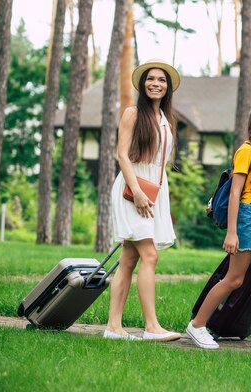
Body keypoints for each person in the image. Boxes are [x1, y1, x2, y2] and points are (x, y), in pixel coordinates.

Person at [186, 103, 251, 357]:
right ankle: (197, 325)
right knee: (234, 278)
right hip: (248, 218)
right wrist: (231, 232)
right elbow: (235, 192)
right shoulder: (246, 150)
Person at [104, 59, 182, 342]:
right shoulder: (133, 113)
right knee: (150, 255)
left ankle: (113, 327)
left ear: (168, 87)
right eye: (151, 79)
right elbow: (122, 154)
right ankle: (151, 326)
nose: (156, 84)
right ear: (142, 84)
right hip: (132, 188)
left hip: (154, 190)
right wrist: (136, 191)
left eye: (162, 80)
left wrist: (154, 193)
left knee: (128, 259)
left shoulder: (165, 118)